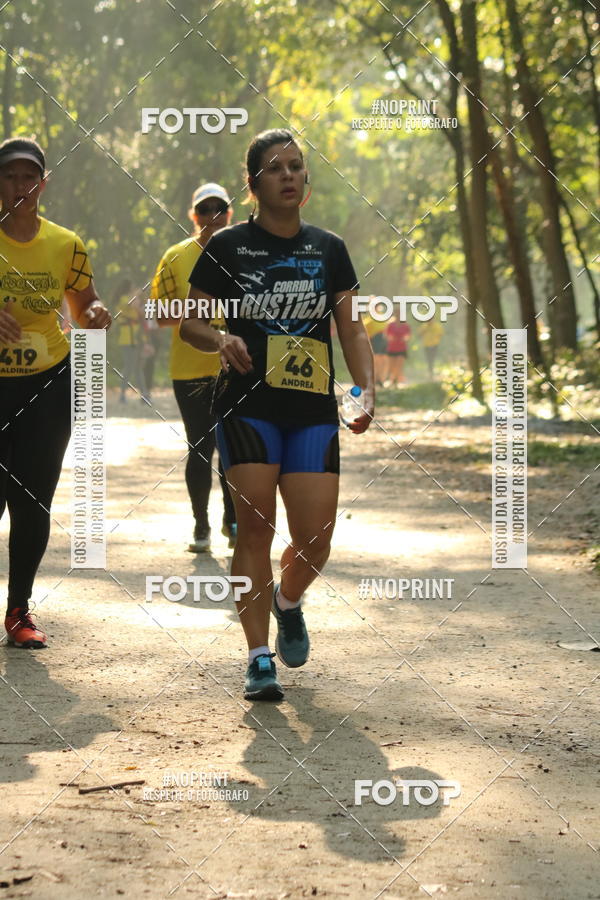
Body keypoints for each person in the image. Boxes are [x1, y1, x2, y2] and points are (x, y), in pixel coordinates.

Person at [180, 128, 374, 701]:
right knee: (255, 526)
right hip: (246, 404)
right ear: (253, 183)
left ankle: (288, 602)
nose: (289, 175)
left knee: (316, 537)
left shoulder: (329, 248)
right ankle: (257, 656)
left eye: (296, 166)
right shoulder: (229, 247)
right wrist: (220, 339)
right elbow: (189, 321)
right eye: (275, 167)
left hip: (312, 408)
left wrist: (364, 389)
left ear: (305, 182)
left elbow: (353, 326)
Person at [0, 137, 111, 648]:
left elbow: (84, 306)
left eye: (29, 177)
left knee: (32, 501)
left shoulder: (67, 243)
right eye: (10, 176)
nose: (20, 186)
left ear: (42, 184)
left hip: (47, 385)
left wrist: (95, 317)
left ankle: (19, 611)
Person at [150, 183, 237, 552]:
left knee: (235, 448)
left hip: (236, 365)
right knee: (200, 446)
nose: (213, 216)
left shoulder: (243, 252)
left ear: (230, 214)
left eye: (220, 209)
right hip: (189, 369)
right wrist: (194, 315)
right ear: (194, 215)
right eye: (205, 210)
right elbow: (156, 312)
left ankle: (232, 522)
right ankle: (201, 524)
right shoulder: (176, 255)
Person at [114, 278, 148, 403]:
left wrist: (139, 297)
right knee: (129, 367)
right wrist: (137, 294)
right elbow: (132, 305)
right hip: (127, 338)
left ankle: (144, 395)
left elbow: (142, 313)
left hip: (137, 337)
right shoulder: (124, 299)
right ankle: (122, 394)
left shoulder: (133, 299)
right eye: (132, 287)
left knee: (138, 367)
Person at [385, 309, 411, 386]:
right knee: (392, 366)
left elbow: (408, 335)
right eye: (397, 314)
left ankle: (395, 380)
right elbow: (386, 335)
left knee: (399, 364)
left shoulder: (405, 325)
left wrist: (405, 338)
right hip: (392, 348)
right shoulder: (390, 325)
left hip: (402, 348)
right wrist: (390, 338)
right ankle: (394, 379)